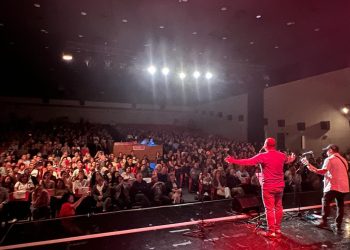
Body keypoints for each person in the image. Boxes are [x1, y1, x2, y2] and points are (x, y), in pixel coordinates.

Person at [225, 137, 295, 238]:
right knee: (279, 207)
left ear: (265, 145)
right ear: (274, 145)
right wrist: (292, 158)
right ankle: (277, 229)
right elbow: (288, 160)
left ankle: (271, 231)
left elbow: (248, 161)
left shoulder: (263, 156)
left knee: (269, 209)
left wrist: (233, 160)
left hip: (268, 187)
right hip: (280, 186)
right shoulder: (281, 155)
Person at [301, 144, 349, 232]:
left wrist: (308, 165)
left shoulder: (329, 159)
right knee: (340, 205)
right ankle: (338, 224)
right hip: (344, 186)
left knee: (325, 201)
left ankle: (323, 221)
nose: (326, 152)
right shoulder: (344, 160)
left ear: (331, 150)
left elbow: (321, 172)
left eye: (327, 150)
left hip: (333, 185)